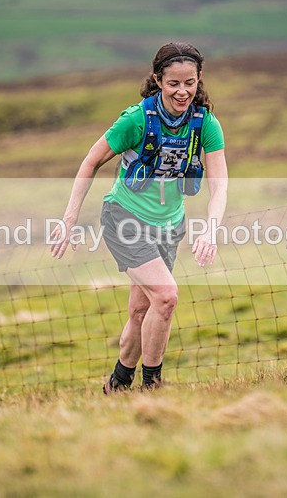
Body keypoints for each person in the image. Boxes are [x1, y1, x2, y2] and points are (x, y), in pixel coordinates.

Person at [49, 42, 228, 393]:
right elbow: (90, 162)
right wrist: (69, 218)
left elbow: (219, 186)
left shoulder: (206, 124)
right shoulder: (135, 120)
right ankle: (152, 387)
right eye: (173, 83)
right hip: (124, 220)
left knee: (140, 310)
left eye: (189, 83)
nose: (182, 91)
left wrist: (211, 230)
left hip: (169, 226)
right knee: (167, 296)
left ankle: (117, 384)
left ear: (199, 80)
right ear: (158, 80)